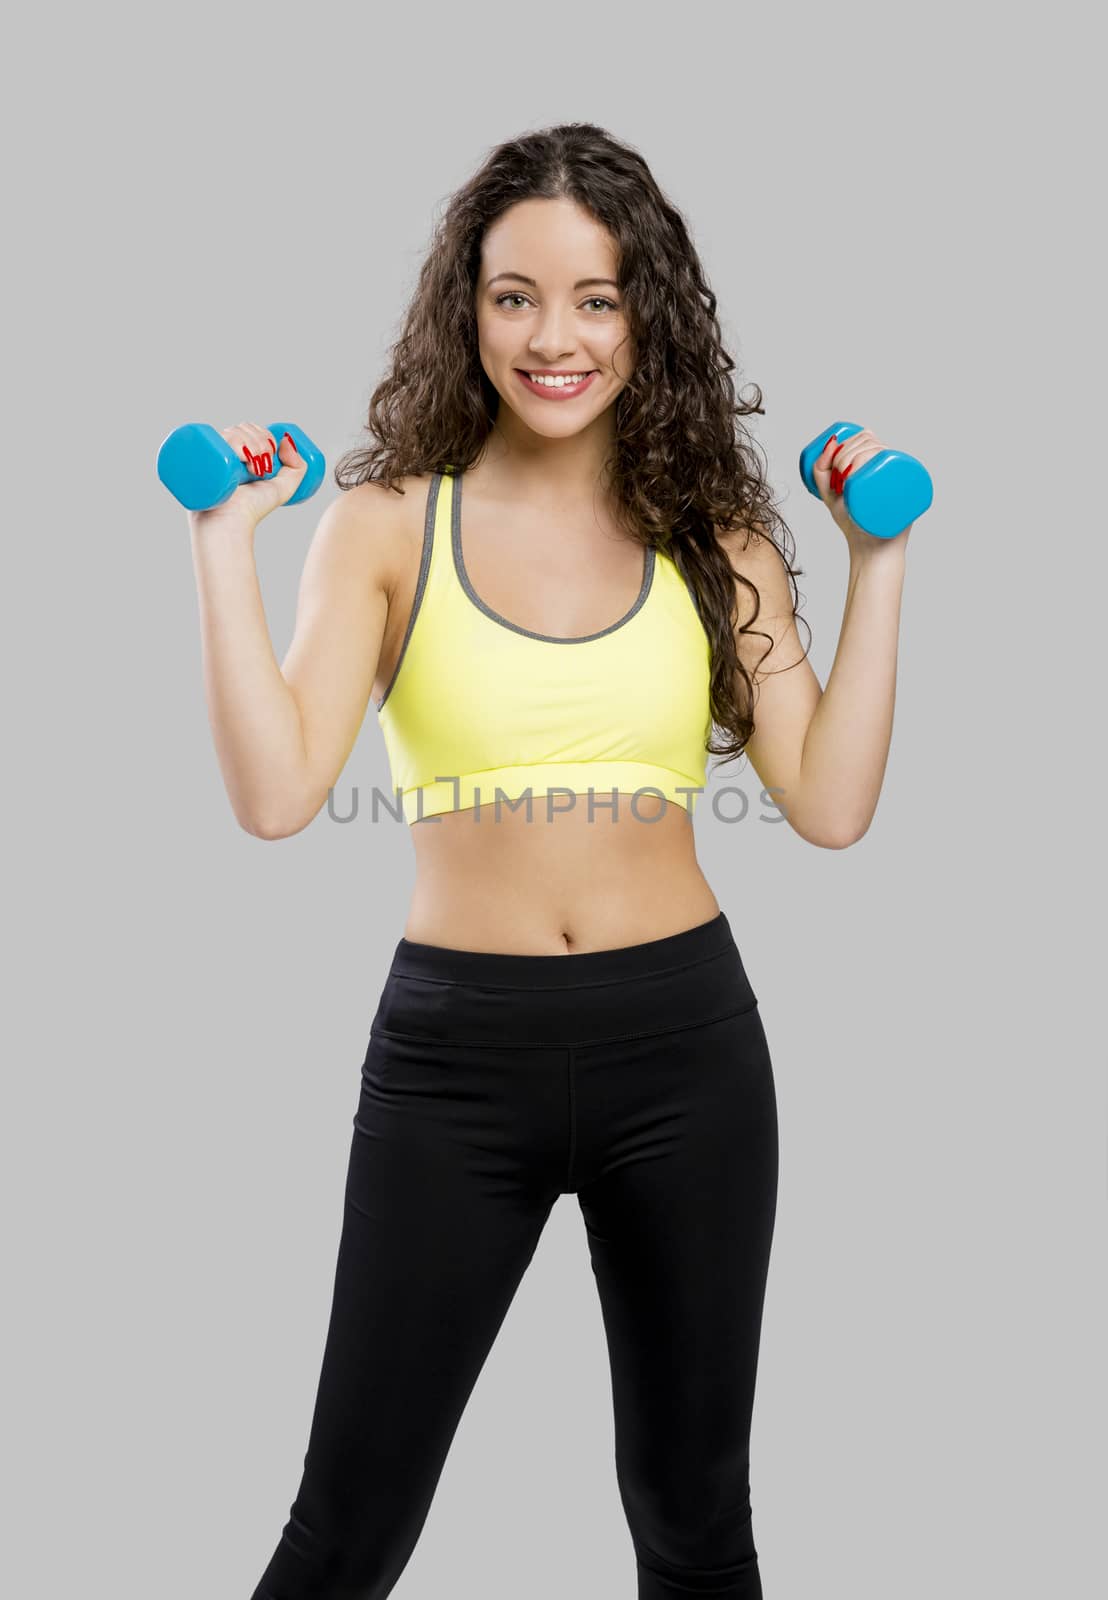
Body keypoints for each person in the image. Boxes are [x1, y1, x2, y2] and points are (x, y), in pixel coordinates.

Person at [187, 123, 911, 1600]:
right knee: (345, 1532)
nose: (554, 336)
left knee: (697, 1527)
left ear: (650, 312)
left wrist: (876, 563)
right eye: (514, 295)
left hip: (688, 1054)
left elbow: (830, 807)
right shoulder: (387, 525)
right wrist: (220, 546)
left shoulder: (720, 542)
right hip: (458, 1058)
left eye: (596, 297)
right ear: (467, 309)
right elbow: (277, 794)